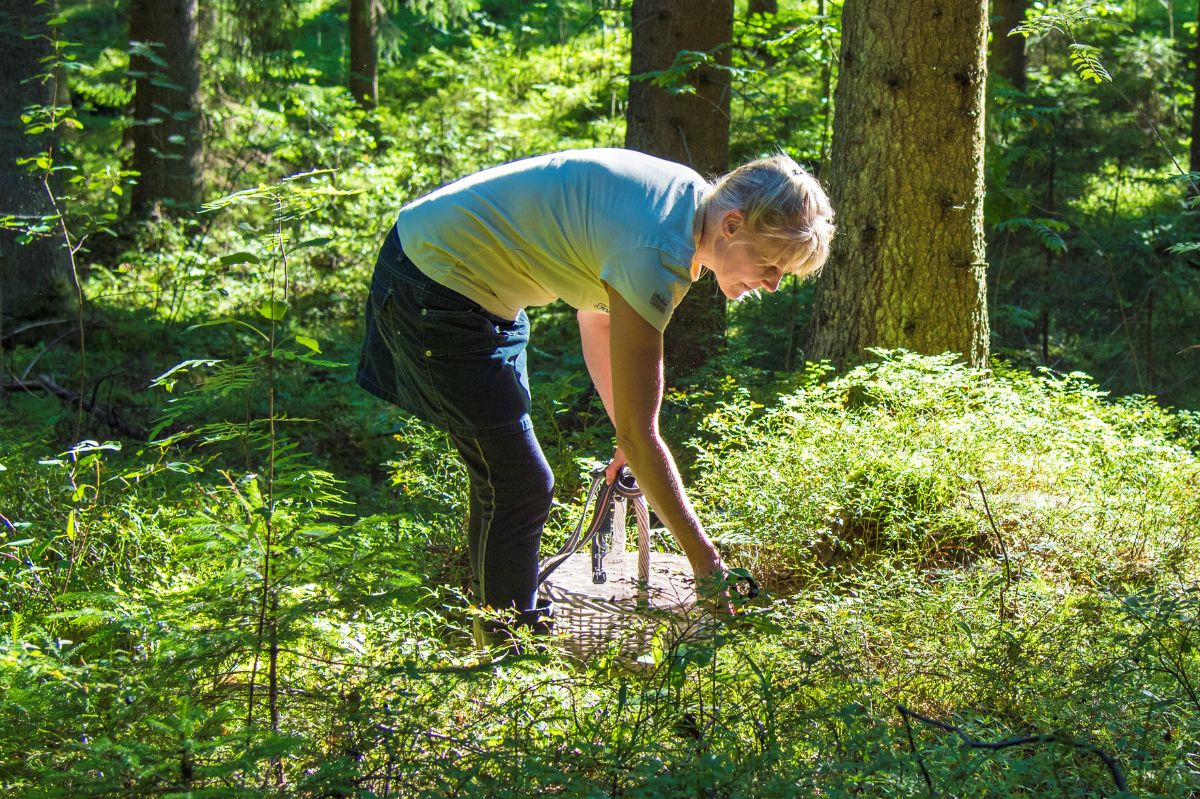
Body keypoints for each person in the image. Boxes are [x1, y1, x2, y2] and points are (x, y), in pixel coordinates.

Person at [356, 148, 834, 642]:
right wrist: (708, 566)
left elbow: (599, 318)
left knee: (505, 479)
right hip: (434, 284)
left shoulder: (687, 207)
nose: (774, 284)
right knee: (518, 483)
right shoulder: (656, 249)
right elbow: (639, 422)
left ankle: (499, 624)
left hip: (474, 290)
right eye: (772, 263)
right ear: (732, 226)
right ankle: (505, 659)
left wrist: (628, 435)